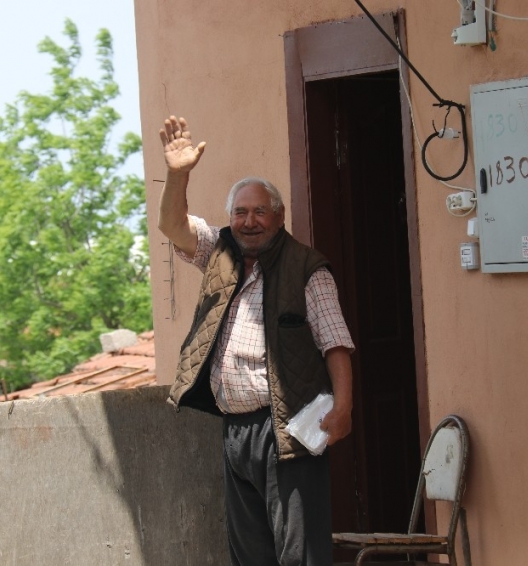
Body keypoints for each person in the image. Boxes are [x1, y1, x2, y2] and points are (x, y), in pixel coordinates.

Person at [158, 115, 355, 566]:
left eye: (259, 212)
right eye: (240, 213)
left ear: (279, 216)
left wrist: (343, 408)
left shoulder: (308, 268)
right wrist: (178, 173)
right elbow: (172, 225)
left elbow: (336, 343)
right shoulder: (220, 251)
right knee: (250, 554)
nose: (249, 222)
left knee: (298, 552)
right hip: (236, 430)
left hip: (287, 426)